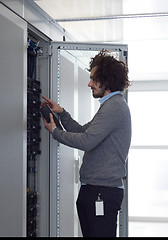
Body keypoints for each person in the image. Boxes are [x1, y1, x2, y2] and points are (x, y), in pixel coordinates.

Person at [41, 50, 131, 237]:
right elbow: (83, 131)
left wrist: (55, 132)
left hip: (102, 192)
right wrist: (62, 113)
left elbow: (87, 141)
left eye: (93, 78)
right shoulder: (109, 106)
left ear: (106, 80)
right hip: (95, 189)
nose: (89, 83)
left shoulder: (114, 106)